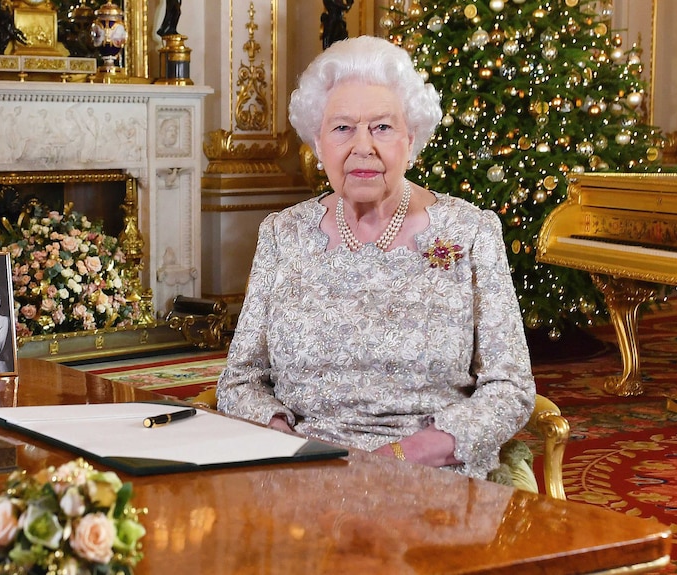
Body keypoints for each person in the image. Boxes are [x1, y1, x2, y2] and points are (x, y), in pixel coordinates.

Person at [216, 36, 537, 486]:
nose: (362, 146)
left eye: (382, 128)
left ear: (411, 138)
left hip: (431, 474)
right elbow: (239, 381)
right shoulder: (281, 234)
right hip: (305, 472)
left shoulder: (471, 231)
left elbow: (510, 390)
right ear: (316, 141)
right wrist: (281, 440)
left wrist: (404, 455)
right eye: (342, 128)